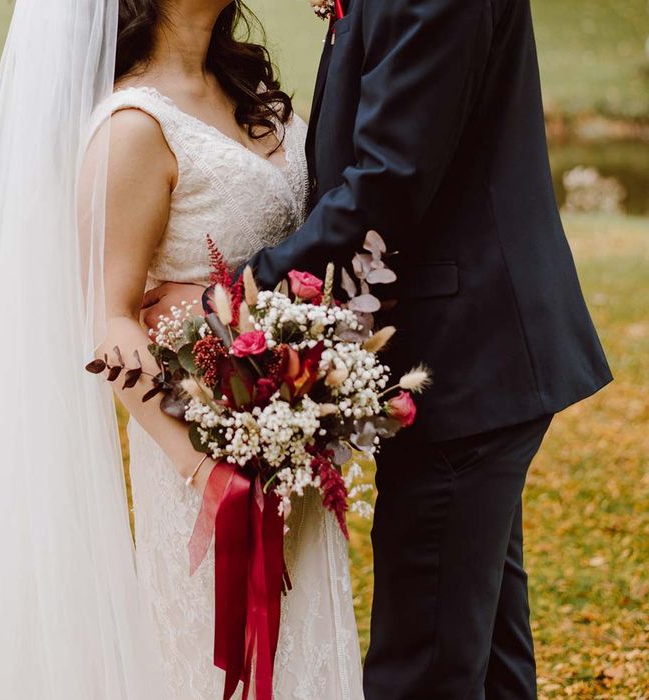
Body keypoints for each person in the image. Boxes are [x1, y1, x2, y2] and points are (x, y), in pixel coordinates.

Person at [0, 1, 363, 698]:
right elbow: (109, 322)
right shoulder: (133, 127)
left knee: (308, 653)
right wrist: (204, 472)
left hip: (293, 442)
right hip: (200, 460)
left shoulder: (252, 92)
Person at [144, 0, 613, 698]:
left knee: (422, 667)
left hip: (464, 357)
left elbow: (387, 182)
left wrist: (232, 293)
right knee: (481, 653)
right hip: (471, 354)